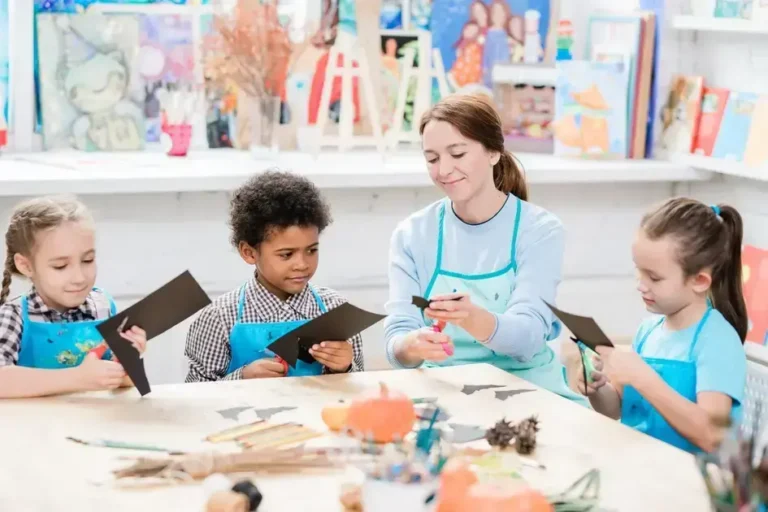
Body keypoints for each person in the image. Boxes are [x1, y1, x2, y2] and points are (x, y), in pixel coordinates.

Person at [384, 93, 587, 407]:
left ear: (494, 152)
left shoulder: (539, 230)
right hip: (443, 391)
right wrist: (413, 345)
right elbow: (398, 336)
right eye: (432, 158)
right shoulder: (412, 234)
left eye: (458, 153)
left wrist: (474, 318)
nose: (444, 169)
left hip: (530, 390)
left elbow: (529, 338)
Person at [569, 198, 747, 453]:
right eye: (638, 271)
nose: (640, 284)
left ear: (699, 281)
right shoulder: (648, 331)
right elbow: (616, 409)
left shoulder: (718, 340)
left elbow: (713, 436)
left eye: (654, 277)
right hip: (644, 467)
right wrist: (596, 389)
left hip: (692, 483)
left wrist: (643, 378)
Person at [185, 170, 364, 382]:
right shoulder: (218, 318)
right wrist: (241, 378)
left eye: (312, 250)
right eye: (286, 254)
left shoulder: (336, 311)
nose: (302, 264)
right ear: (249, 252)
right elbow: (197, 395)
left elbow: (359, 395)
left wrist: (344, 367)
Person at [0, 195, 147, 398]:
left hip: (92, 425)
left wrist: (130, 359)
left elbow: (125, 383)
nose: (79, 278)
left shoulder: (103, 306)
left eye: (87, 260)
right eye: (60, 266)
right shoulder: (13, 316)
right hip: (35, 427)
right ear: (26, 265)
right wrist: (78, 378)